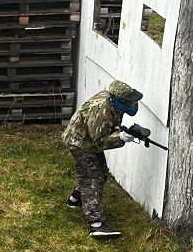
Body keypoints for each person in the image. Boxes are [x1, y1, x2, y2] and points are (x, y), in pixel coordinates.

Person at [61, 80, 145, 238]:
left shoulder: (113, 103)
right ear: (118, 99)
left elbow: (108, 127)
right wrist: (120, 137)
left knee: (101, 172)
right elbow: (99, 142)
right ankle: (96, 224)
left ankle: (75, 200)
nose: (132, 105)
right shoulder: (102, 110)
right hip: (80, 143)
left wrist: (126, 132)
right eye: (128, 102)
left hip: (88, 140)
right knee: (92, 178)